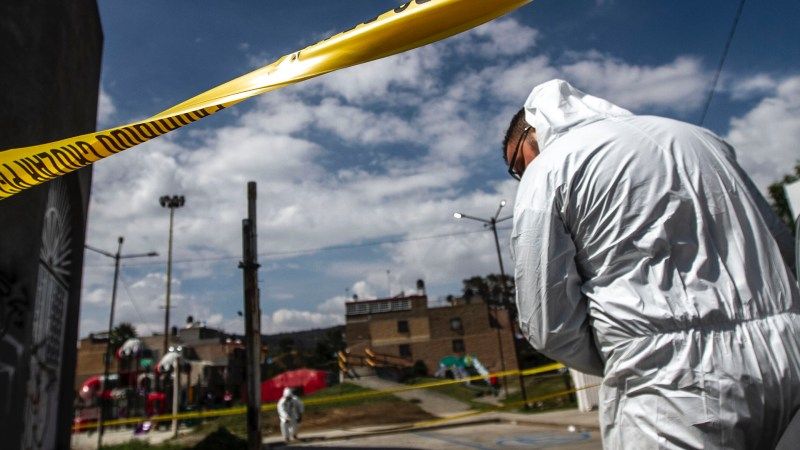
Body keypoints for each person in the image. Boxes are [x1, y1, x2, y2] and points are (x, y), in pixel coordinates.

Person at [502, 79, 800, 449]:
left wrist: (629, 351)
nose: (520, 175)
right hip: (789, 356)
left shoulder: (549, 168)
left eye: (516, 165)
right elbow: (782, 248)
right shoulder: (704, 140)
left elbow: (547, 322)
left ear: (532, 130)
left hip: (673, 386)